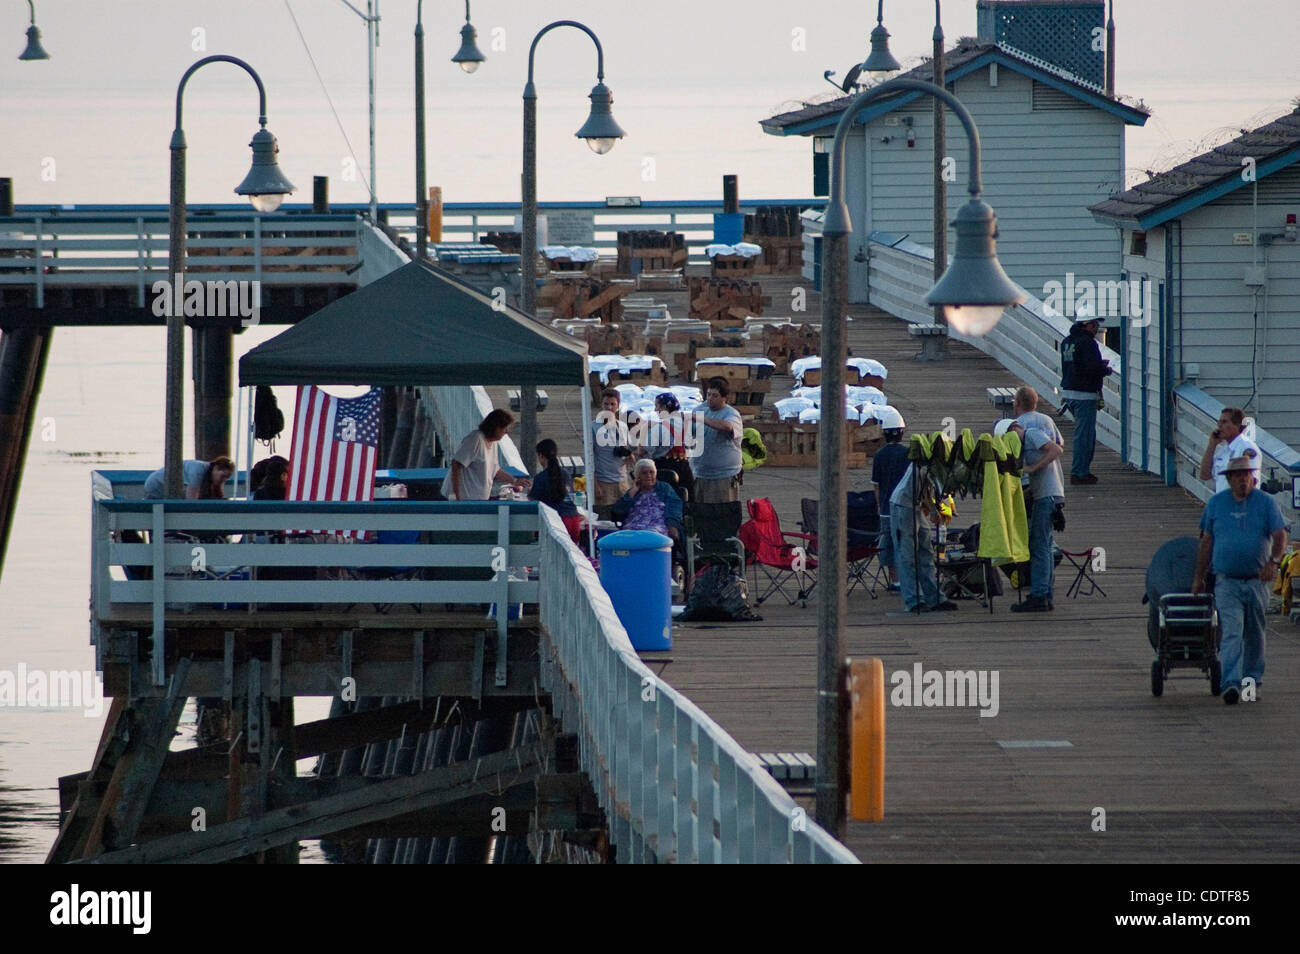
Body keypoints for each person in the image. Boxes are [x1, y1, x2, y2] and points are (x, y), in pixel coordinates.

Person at [1192, 456, 1287, 705]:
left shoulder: (1266, 503)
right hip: (1227, 580)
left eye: (1247, 475)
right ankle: (1231, 682)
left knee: (1255, 633)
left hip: (1257, 579)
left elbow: (1280, 536)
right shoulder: (1216, 504)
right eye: (1238, 475)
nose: (1244, 479)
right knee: (1232, 631)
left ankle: (1251, 681)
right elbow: (1207, 542)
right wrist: (1198, 577)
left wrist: (1273, 562)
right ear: (1230, 479)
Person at [1007, 419, 1065, 612]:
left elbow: (1056, 450)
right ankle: (1045, 594)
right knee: (1046, 546)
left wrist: (1032, 468)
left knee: (1038, 545)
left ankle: (1039, 594)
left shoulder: (1031, 434)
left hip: (1046, 497)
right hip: (1049, 494)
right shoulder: (1027, 443)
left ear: (1014, 429)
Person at [890, 460, 957, 613]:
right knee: (907, 556)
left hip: (916, 505)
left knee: (926, 553)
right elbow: (924, 484)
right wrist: (933, 511)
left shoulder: (938, 465)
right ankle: (913, 600)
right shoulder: (926, 463)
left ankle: (934, 598)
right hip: (902, 504)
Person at [1059, 308, 1112, 484]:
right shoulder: (1088, 343)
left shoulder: (1067, 342)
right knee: (1084, 436)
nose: (1096, 327)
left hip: (1069, 393)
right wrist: (1106, 369)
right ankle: (1079, 472)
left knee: (1083, 434)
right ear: (1085, 324)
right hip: (1084, 395)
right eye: (1094, 324)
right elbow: (1091, 368)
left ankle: (1081, 470)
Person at [441, 409, 530, 501]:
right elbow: (456, 464)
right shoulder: (476, 439)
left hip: (477, 498)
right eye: (504, 428)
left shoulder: (494, 442)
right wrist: (456, 496)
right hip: (463, 498)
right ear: (496, 427)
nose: (506, 432)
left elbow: (495, 469)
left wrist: (514, 481)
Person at [686, 377, 744, 504]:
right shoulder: (700, 409)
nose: (710, 398)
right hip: (700, 473)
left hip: (723, 476)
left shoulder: (731, 414)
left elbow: (727, 426)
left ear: (725, 397)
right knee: (700, 515)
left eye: (715, 395)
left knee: (720, 516)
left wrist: (701, 419)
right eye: (708, 394)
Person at [870, 408, 909, 590]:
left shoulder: (879, 455)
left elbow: (876, 485)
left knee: (890, 544)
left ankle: (895, 580)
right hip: (906, 508)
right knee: (906, 543)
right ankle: (908, 578)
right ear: (902, 432)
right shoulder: (908, 454)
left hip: (886, 509)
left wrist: (879, 507)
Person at [610, 459, 684, 541]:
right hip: (633, 527)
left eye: (651, 472)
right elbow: (618, 511)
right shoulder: (633, 491)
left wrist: (672, 525)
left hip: (658, 526)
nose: (649, 475)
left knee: (652, 536)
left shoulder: (664, 488)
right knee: (625, 537)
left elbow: (675, 506)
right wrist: (633, 490)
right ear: (637, 476)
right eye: (644, 473)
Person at [530, 438, 584, 542]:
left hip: (557, 522)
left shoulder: (540, 478)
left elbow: (532, 502)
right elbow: (577, 498)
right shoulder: (566, 474)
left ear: (541, 456)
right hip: (574, 520)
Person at [591, 388, 634, 518]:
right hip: (603, 482)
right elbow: (589, 457)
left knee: (625, 519)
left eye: (612, 404)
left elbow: (624, 449)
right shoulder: (593, 426)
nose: (609, 407)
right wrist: (595, 484)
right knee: (605, 520)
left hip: (622, 481)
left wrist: (629, 456)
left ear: (618, 406)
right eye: (606, 404)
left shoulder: (623, 426)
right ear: (601, 405)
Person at [645, 392, 695, 501]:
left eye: (657, 406)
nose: (655, 410)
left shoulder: (658, 429)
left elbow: (646, 450)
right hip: (685, 469)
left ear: (664, 407)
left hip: (664, 472)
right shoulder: (689, 426)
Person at [1198, 407, 1260, 495]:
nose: (1219, 425)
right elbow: (1205, 475)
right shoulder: (1223, 451)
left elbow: (1251, 482)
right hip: (1224, 504)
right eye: (1219, 422)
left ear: (1237, 425)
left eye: (1224, 422)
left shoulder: (1246, 447)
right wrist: (1212, 445)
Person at [143, 457, 234, 499]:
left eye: (227, 478)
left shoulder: (210, 474)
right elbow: (191, 499)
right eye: (222, 476)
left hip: (171, 485)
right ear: (215, 468)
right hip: (157, 485)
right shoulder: (199, 471)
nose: (224, 480)